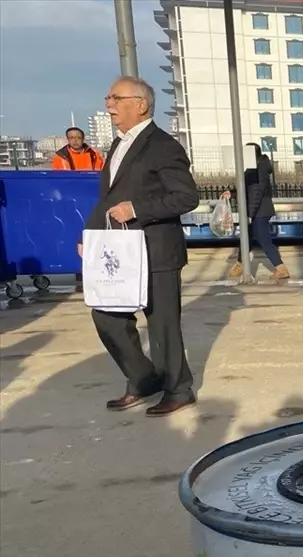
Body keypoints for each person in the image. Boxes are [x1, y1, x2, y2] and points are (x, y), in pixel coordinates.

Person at [82, 76, 199, 417]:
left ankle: (178, 389)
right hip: (118, 252)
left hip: (157, 251)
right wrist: (88, 236)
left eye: (116, 98)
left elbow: (186, 196)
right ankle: (143, 378)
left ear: (141, 103)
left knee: (162, 325)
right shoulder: (118, 145)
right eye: (108, 98)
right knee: (106, 316)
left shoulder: (163, 146)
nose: (109, 105)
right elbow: (109, 197)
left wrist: (137, 209)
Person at [223, 143, 289, 280]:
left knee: (263, 239)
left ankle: (281, 268)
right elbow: (246, 188)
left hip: (259, 211)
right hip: (257, 210)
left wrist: (249, 214)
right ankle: (241, 265)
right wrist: (232, 193)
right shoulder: (255, 167)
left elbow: (255, 193)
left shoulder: (257, 170)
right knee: (245, 238)